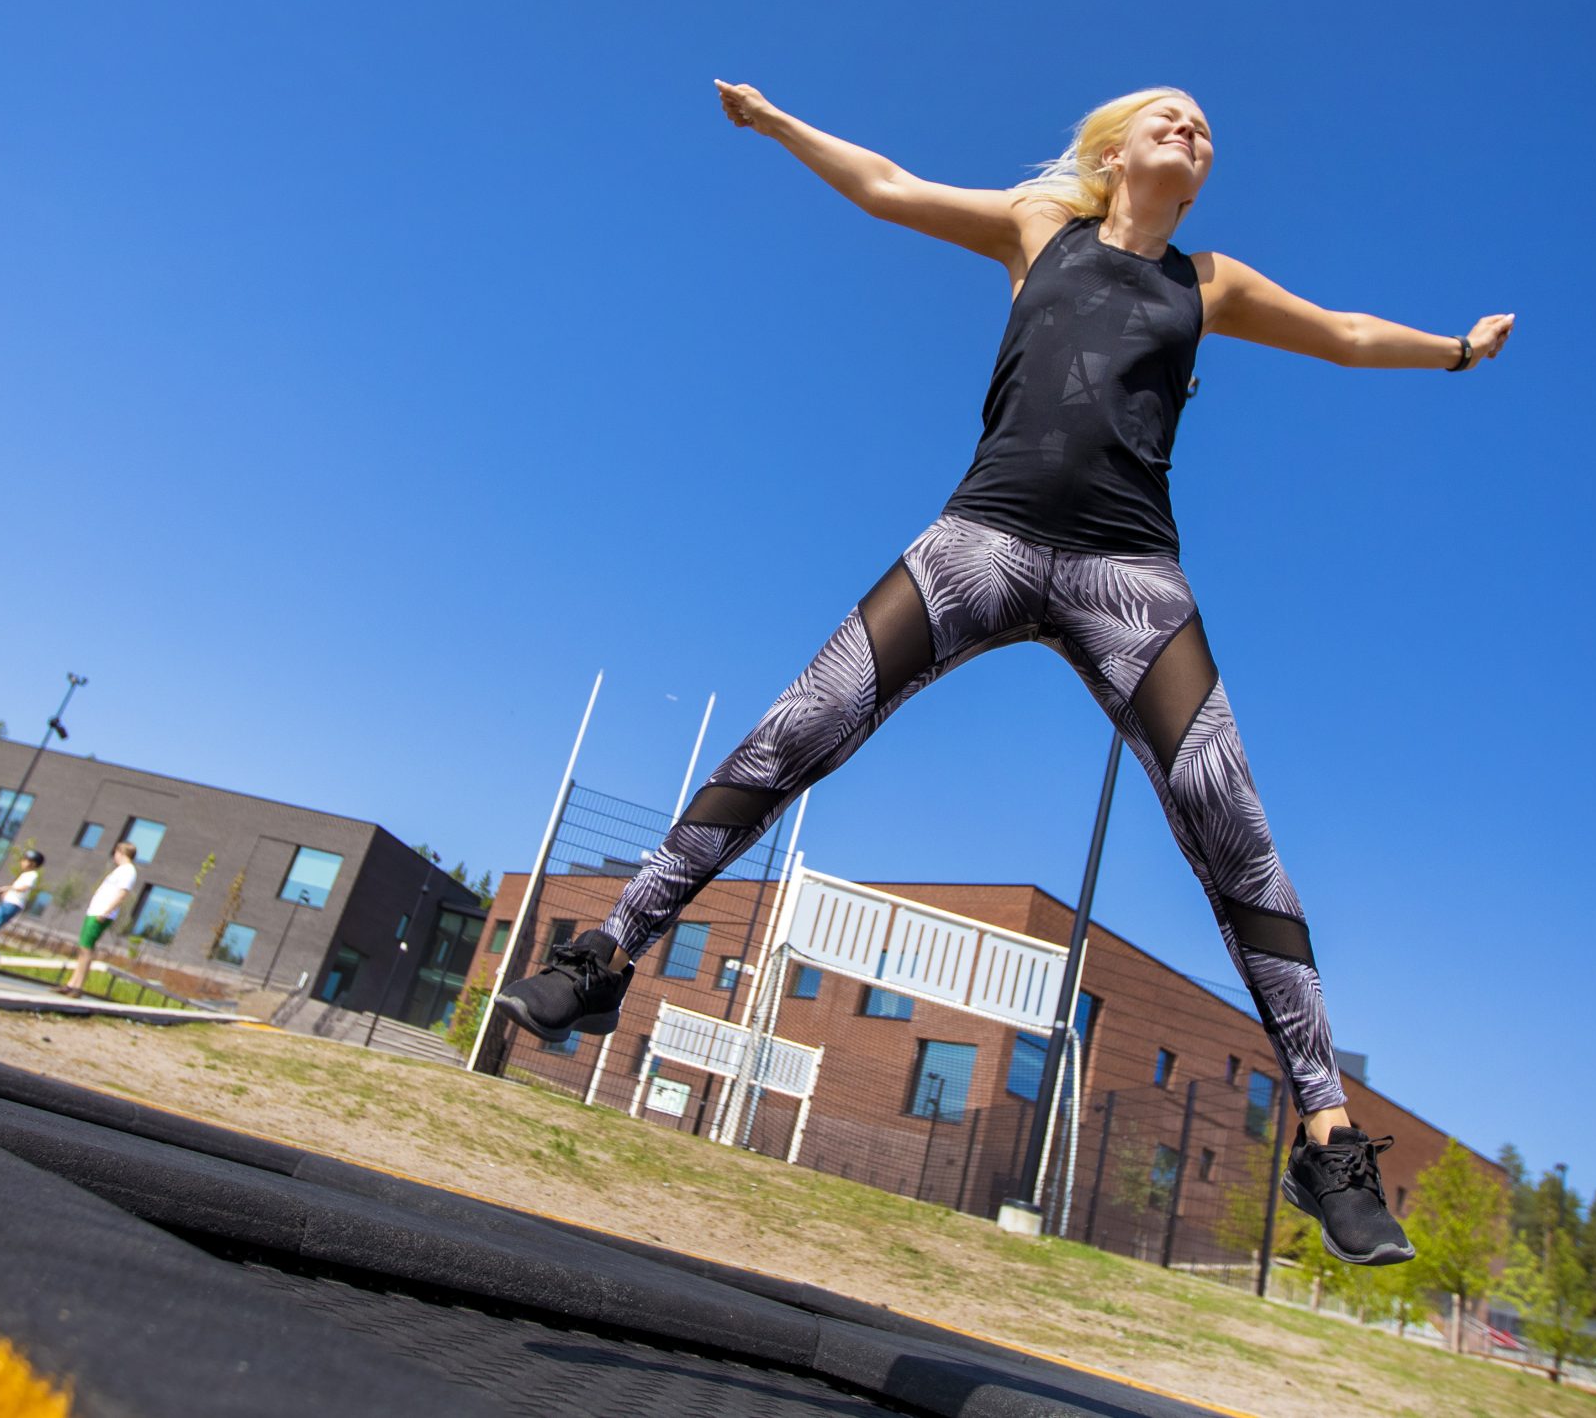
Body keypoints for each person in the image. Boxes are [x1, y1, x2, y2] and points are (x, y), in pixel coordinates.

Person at [498, 82, 1514, 1267]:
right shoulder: (1040, 228)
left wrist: (1454, 351)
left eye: (1205, 127)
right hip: (978, 543)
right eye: (1169, 116)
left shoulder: (1211, 282)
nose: (1193, 129)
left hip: (1128, 579)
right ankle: (606, 955)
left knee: (1233, 829)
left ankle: (1328, 1139)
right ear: (1114, 150)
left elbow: (1341, 333)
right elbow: (889, 188)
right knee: (797, 729)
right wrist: (778, 125)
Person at [60, 842, 140, 996]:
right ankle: (71, 983)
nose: (115, 856)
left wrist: (106, 912)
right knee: (82, 947)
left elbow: (122, 894)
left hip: (101, 913)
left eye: (116, 852)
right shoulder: (120, 870)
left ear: (121, 852)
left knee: (87, 948)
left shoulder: (128, 871)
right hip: (95, 911)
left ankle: (78, 987)